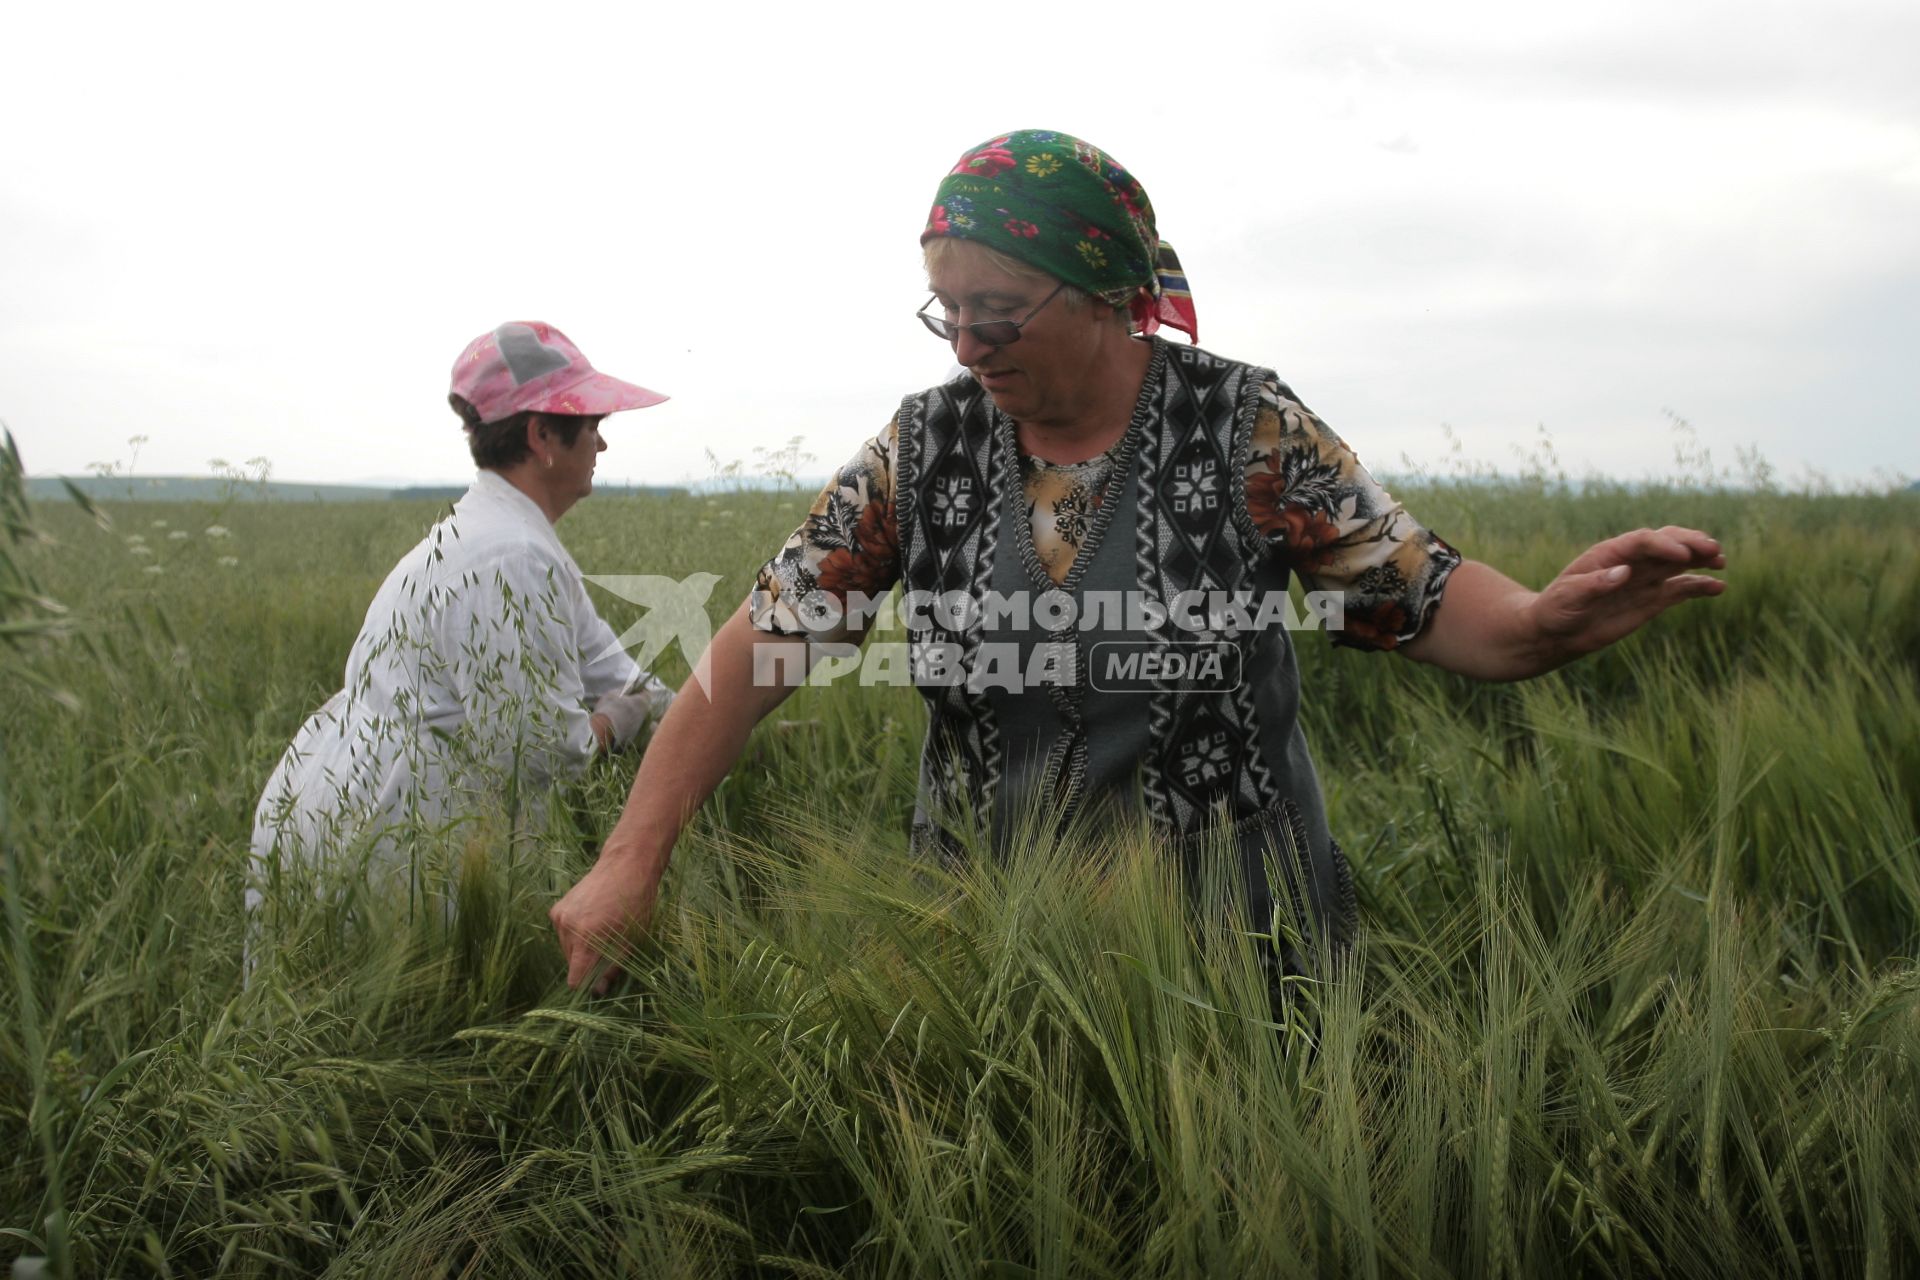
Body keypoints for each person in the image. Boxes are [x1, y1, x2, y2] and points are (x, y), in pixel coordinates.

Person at [550, 130, 1726, 992]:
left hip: (1239, 958)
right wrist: (629, 857)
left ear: (1114, 295)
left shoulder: (1249, 428)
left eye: (998, 311)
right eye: (944, 311)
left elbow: (1419, 594)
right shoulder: (927, 445)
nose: (966, 343)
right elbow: (760, 643)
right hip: (988, 952)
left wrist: (1542, 624)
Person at [249, 321, 675, 925]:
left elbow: (614, 668)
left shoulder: (508, 538)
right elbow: (543, 751)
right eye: (593, 426)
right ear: (542, 434)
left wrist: (707, 721)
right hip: (387, 835)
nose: (601, 447)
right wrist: (615, 721)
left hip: (339, 806)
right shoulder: (511, 556)